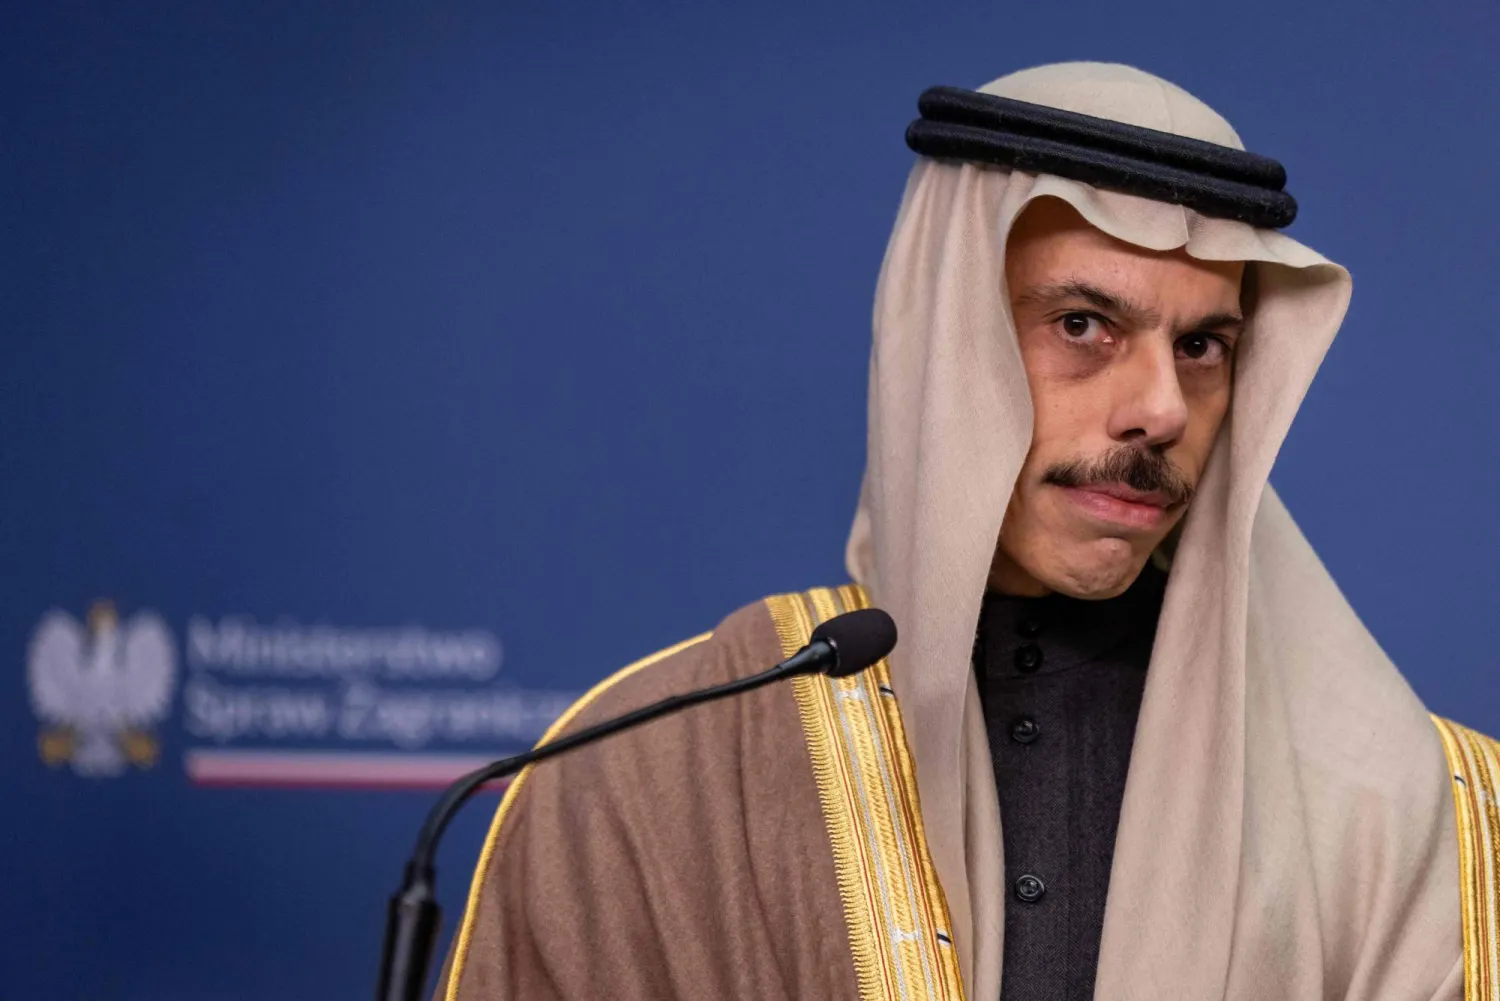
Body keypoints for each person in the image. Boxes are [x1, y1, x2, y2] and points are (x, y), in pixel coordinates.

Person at [438, 62, 1497, 1001]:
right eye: (1083, 325)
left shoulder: (1417, 817)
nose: (1162, 408)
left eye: (1205, 345)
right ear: (946, 339)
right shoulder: (655, 770)